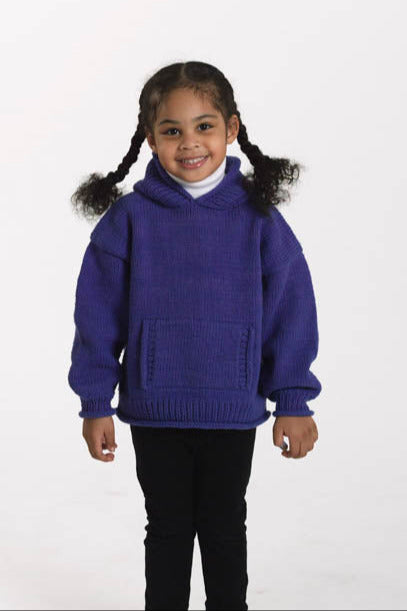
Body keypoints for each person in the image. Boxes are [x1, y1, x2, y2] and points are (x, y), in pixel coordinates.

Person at [67, 60, 321, 611]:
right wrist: (95, 403)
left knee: (225, 529)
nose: (189, 143)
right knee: (167, 530)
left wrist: (294, 400)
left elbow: (291, 312)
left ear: (231, 128)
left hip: (232, 408)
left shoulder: (260, 220)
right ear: (150, 138)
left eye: (204, 126)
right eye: (171, 130)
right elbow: (96, 318)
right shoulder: (129, 219)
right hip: (154, 411)